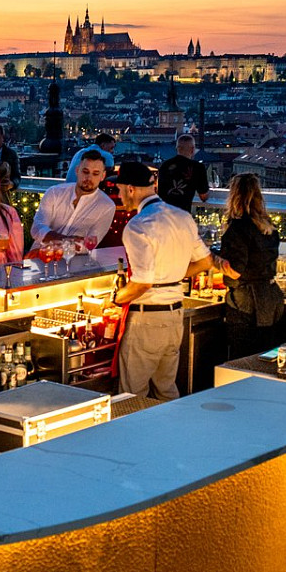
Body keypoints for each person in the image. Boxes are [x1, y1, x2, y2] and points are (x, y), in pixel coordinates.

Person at [110, 161, 218, 401]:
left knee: (132, 396)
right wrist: (173, 275)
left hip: (147, 319)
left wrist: (117, 298)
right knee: (166, 390)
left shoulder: (137, 226)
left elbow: (142, 283)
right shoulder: (182, 216)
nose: (119, 195)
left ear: (130, 189)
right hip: (175, 317)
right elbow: (205, 262)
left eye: (119, 189)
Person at [218, 173, 284, 358]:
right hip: (271, 297)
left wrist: (212, 261)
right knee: (265, 356)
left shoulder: (238, 228)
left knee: (242, 359)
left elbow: (235, 271)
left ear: (233, 196)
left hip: (246, 301)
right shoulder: (268, 226)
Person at [32, 150, 116, 245]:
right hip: (41, 252)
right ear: (77, 171)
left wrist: (61, 242)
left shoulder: (107, 206)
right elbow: (37, 228)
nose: (89, 178)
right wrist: (65, 240)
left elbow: (91, 243)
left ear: (103, 176)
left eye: (95, 174)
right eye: (85, 172)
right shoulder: (54, 192)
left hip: (76, 255)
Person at [157, 134, 210, 214]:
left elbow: (159, 192)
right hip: (182, 215)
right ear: (192, 149)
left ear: (177, 148)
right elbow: (203, 197)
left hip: (162, 214)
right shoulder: (197, 167)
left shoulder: (165, 165)